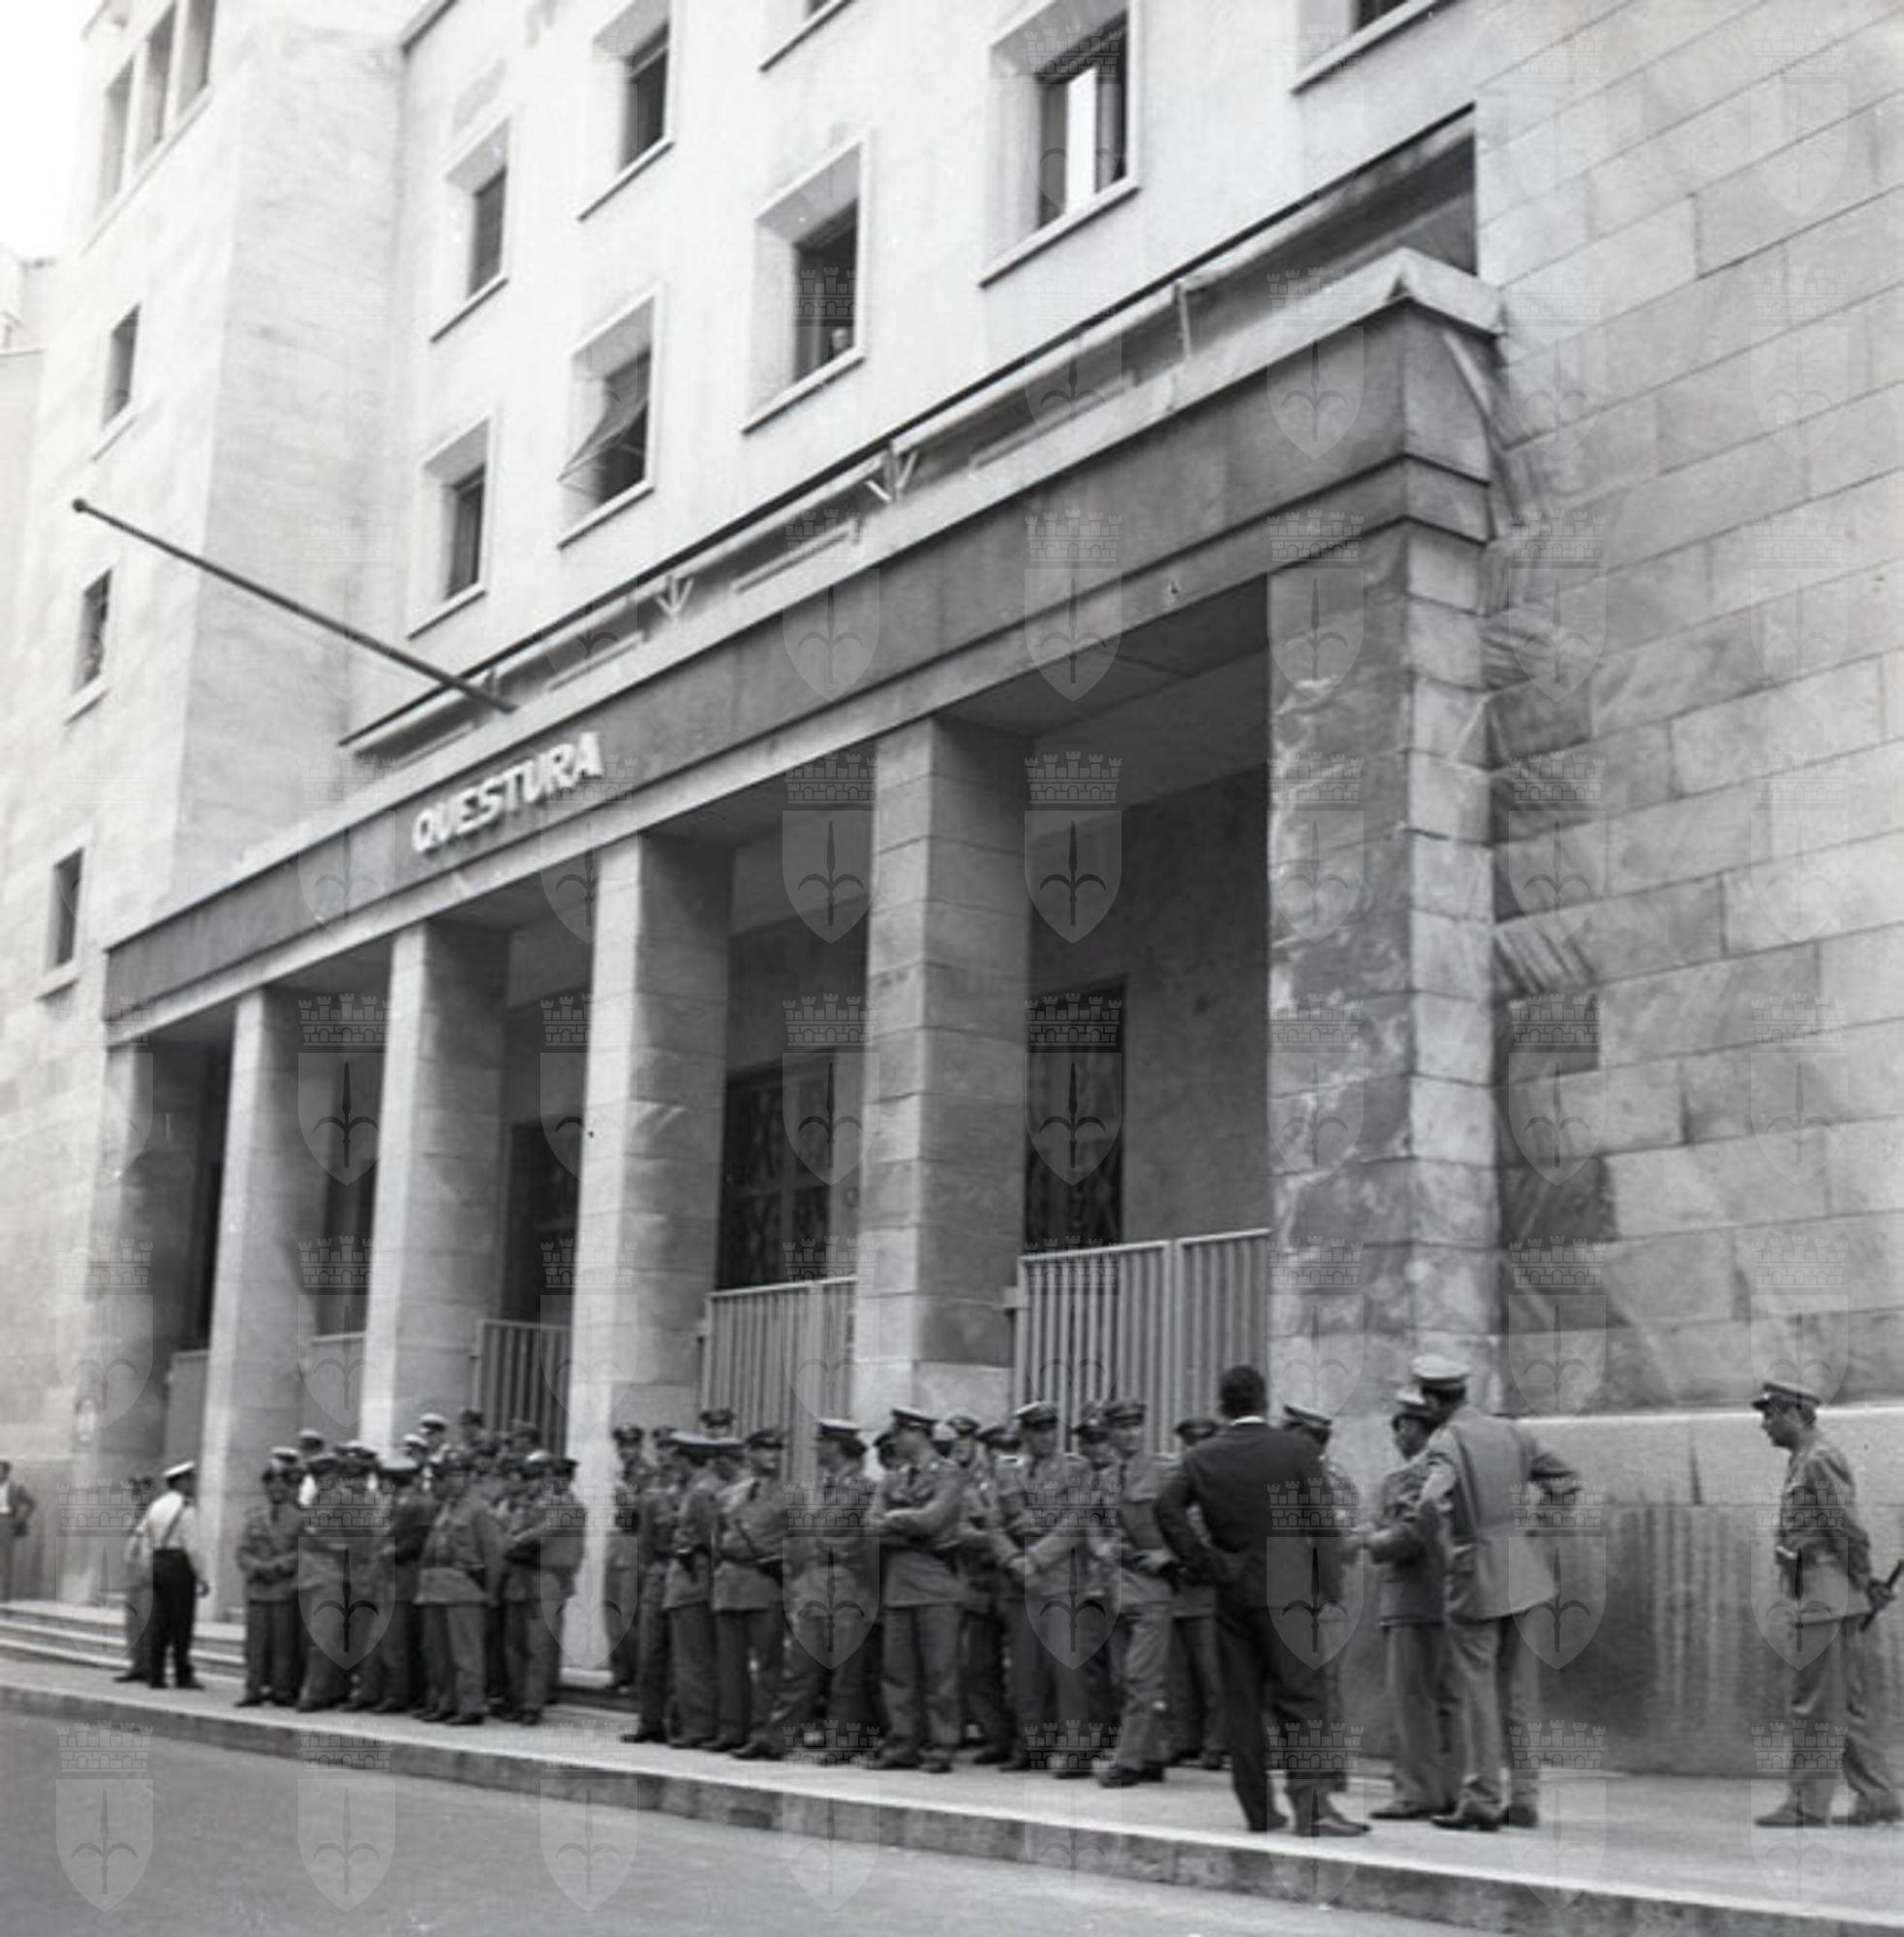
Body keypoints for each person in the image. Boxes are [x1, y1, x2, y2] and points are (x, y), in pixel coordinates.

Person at [1155, 1366, 1366, 1837]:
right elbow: (1322, 1524)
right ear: (1264, 1402)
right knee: (1302, 1700)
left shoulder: (1201, 1457)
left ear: (1222, 1406)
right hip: (1291, 1589)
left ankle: (1258, 1810)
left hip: (1232, 1591)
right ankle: (1311, 1807)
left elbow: (1166, 1508)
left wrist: (1203, 1562)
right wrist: (1330, 1590)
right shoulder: (1296, 1450)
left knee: (1243, 1702)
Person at [1403, 1353, 1579, 1832]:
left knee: (1476, 1691)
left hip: (1475, 1574)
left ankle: (1481, 1798)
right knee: (1521, 1694)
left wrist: (1446, 1552)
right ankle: (1524, 1798)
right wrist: (1535, 1528)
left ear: (1432, 1401)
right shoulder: (1512, 1432)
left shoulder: (1448, 1441)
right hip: (1523, 1569)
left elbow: (1429, 1503)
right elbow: (1567, 1479)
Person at [1750, 1378, 1900, 1829]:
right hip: (1818, 1593)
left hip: (1826, 1597)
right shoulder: (1804, 1459)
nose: (1764, 1425)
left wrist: (1863, 1582)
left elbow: (1845, 1528)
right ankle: (1878, 1797)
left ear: (1795, 1414)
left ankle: (1806, 1804)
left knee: (1814, 1704)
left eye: (1770, 1415)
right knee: (1844, 1706)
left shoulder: (1818, 1459)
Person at [1354, 1385, 1457, 1819]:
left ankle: (1416, 1791)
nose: (1397, 1436)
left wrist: (1368, 1541)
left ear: (1416, 1428)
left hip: (1413, 1599)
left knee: (1412, 1700)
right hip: (1449, 1597)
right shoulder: (1451, 1467)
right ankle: (1450, 1788)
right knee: (1448, 1700)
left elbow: (1411, 1534)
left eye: (1401, 1427)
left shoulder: (1413, 1477)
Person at [752, 1419, 877, 1762]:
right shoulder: (819, 1489)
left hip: (847, 1582)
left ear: (836, 1446)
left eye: (821, 1442)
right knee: (799, 1667)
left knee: (845, 1672)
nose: (816, 1448)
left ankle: (843, 1741)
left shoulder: (864, 1489)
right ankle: (777, 1737)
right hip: (814, 1583)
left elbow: (865, 1540)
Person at [991, 1399, 1095, 1776]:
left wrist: (1034, 1556)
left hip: (1060, 1579)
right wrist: (1011, 1560)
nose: (1045, 1437)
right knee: (1025, 1671)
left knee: (1067, 1671)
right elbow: (994, 1524)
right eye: (1037, 1430)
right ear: (1023, 1434)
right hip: (1021, 1581)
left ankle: (1076, 1750)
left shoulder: (1076, 1468)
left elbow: (1076, 1522)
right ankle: (1031, 1744)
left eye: (1050, 1429)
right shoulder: (1007, 1470)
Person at [866, 1406, 966, 1773]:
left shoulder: (949, 1474)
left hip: (936, 1584)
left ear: (917, 1434)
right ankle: (903, 1742)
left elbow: (934, 1520)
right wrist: (907, 1523)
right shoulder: (893, 1477)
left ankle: (942, 1745)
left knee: (940, 1672)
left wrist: (895, 1519)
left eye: (899, 1434)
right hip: (899, 1584)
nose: (895, 1442)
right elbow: (871, 1525)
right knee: (897, 1672)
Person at [1091, 1398, 1178, 1787]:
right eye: (1121, 1428)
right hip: (1117, 1585)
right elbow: (1092, 1521)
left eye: (1135, 1426)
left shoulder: (1165, 1471)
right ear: (1110, 1433)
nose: (1129, 1434)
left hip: (1151, 1584)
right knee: (1121, 1677)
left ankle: (1127, 1761)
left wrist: (1171, 1554)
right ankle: (1151, 1754)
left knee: (1140, 1677)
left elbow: (1196, 1517)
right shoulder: (1106, 1478)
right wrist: (1099, 1546)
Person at [715, 1428, 789, 1755]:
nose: (772, 1455)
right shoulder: (731, 1494)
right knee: (731, 1664)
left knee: (768, 1665)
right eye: (764, 1449)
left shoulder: (790, 1495)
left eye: (776, 1450)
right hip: (730, 1582)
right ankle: (732, 1729)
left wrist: (783, 1565)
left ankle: (766, 1734)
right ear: (749, 1454)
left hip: (764, 1582)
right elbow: (718, 1536)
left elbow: (801, 1542)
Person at [415, 1450, 504, 1725]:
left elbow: (493, 1553)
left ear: (469, 1477)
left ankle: (470, 1705)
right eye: (448, 1476)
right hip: (437, 1587)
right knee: (438, 1653)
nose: (452, 1481)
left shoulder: (479, 1509)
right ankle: (446, 1701)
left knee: (465, 1653)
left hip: (465, 1587)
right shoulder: (447, 1507)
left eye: (457, 1475)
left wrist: (491, 1591)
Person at [948, 1415, 1014, 1763]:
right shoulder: (971, 1487)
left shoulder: (1027, 1485)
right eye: (996, 1451)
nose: (1003, 1457)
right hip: (979, 1588)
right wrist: (997, 1538)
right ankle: (995, 1737)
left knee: (1025, 1670)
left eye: (1010, 1450)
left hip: (1016, 1585)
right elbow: (959, 1531)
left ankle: (1027, 1739)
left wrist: (991, 1536)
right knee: (978, 1667)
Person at [505, 1453, 585, 1724]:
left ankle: (532, 1703)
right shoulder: (535, 1503)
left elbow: (543, 1532)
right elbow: (516, 1529)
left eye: (560, 1476)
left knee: (538, 1644)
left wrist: (514, 1541)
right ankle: (518, 1698)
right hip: (524, 1575)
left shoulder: (571, 1506)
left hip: (549, 1577)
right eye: (550, 1476)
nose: (554, 1481)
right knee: (515, 1643)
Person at [1164, 1420, 1225, 1769]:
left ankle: (1216, 1741)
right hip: (1175, 1587)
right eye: (1189, 1443)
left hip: (1208, 1589)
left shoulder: (1223, 1486)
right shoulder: (1175, 1484)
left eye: (1200, 1442)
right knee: (1178, 1674)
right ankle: (1182, 1738)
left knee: (1210, 1671)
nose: (1193, 1449)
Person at [358, 1456, 433, 1716]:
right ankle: (381, 1691)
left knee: (394, 1644)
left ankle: (397, 1694)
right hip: (387, 1581)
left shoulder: (414, 1505)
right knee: (383, 1642)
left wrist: (393, 1551)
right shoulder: (392, 1504)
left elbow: (411, 1541)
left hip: (401, 1581)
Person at [662, 1433, 722, 1748]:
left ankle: (698, 1725)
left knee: (692, 1659)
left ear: (686, 1460)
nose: (672, 1466)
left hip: (693, 1580)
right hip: (690, 1579)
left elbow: (711, 1540)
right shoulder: (698, 1489)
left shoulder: (701, 1492)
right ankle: (690, 1721)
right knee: (691, 1658)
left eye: (676, 1459)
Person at [127, 1462, 208, 1691]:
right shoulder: (186, 1508)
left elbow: (143, 1535)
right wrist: (202, 1576)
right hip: (179, 1563)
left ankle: (156, 1673)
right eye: (190, 1479)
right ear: (181, 1482)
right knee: (182, 1620)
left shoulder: (156, 1506)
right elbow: (192, 1547)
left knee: (159, 1620)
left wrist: (147, 1563)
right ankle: (182, 1673)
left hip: (159, 1560)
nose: (193, 1484)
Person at [623, 1430, 681, 1744]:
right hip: (658, 1571)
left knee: (681, 1656)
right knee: (650, 1653)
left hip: (687, 1572)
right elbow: (644, 1541)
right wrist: (646, 1575)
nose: (665, 1455)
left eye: (671, 1449)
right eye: (661, 1448)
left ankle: (678, 1721)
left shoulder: (695, 1488)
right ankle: (649, 1720)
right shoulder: (652, 1491)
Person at [235, 1464, 302, 1706]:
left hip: (283, 1587)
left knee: (282, 1644)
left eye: (281, 1484)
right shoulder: (254, 1517)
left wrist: (278, 1566)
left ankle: (281, 1690)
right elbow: (242, 1551)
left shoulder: (300, 1519)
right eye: (271, 1484)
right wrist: (257, 1567)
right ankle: (253, 1689)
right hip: (257, 1588)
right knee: (255, 1644)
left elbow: (304, 1551)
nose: (276, 1489)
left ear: (288, 1487)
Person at [603, 1426, 648, 1698]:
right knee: (613, 1613)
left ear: (639, 1446)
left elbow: (645, 1510)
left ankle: (635, 1675)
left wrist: (630, 1501)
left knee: (630, 1616)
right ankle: (619, 1671)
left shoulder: (646, 1474)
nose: (625, 1451)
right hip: (618, 1538)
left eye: (630, 1445)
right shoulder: (621, 1473)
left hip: (635, 1540)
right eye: (621, 1446)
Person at [114, 1472, 158, 1684]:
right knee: (132, 1623)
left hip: (149, 1576)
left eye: (142, 1491)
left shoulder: (157, 1516)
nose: (138, 1496)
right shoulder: (134, 1516)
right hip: (134, 1576)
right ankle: (136, 1664)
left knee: (147, 1623)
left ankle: (149, 1665)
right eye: (136, 1492)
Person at [0, 1459, 37, 1601]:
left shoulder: (16, 1488)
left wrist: (20, 1519)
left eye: (0, 1471)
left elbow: (31, 1502)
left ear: (6, 1473)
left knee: (6, 1559)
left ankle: (5, 1595)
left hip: (7, 1522)